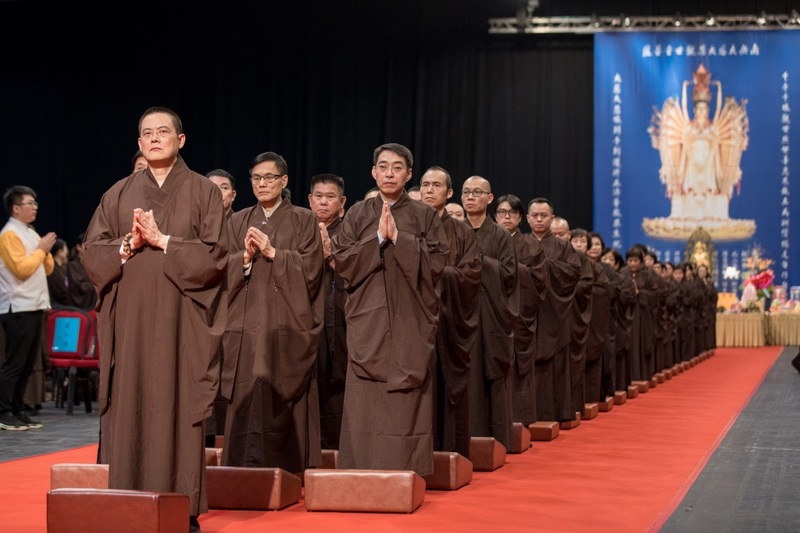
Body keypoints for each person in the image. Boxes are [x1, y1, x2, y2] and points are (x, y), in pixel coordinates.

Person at [82, 106, 229, 531]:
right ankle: (129, 504)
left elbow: (217, 255)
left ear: (180, 140)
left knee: (178, 405)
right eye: (146, 133)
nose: (154, 138)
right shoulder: (118, 192)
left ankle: (180, 508)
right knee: (131, 404)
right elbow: (94, 252)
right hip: (131, 320)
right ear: (139, 144)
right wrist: (127, 245)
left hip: (181, 320)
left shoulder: (203, 192)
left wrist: (164, 241)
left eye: (163, 131)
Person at [331, 143, 447, 476]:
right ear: (373, 172)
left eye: (397, 168)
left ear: (409, 174)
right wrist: (378, 241)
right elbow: (342, 261)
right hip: (367, 319)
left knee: (406, 396)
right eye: (383, 167)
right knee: (364, 399)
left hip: (409, 320)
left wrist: (402, 240)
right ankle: (360, 469)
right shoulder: (357, 213)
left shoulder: (424, 215)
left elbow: (438, 264)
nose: (389, 173)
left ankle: (406, 470)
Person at [221, 152, 324, 475]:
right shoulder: (237, 221)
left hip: (286, 322)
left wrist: (275, 253)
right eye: (256, 178)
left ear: (284, 181)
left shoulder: (304, 219)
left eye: (269, 178)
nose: (262, 184)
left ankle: (288, 468)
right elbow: (221, 269)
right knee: (247, 391)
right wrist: (246, 258)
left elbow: (312, 269)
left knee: (282, 386)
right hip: (246, 323)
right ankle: (242, 469)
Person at [420, 166, 480, 458]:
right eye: (425, 185)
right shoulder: (408, 225)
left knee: (447, 387)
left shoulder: (462, 231)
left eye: (436, 185)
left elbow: (471, 273)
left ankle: (449, 453)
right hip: (413, 324)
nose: (429, 190)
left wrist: (436, 273)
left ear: (449, 193)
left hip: (450, 321)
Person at [462, 177, 517, 450]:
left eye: (477, 192)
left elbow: (509, 275)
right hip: (456, 312)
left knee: (486, 373)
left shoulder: (501, 236)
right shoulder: (453, 230)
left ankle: (491, 438)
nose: (471, 197)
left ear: (489, 198)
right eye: (466, 192)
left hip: (488, 314)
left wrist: (479, 262)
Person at [0, 186, 54, 431]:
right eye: (30, 203)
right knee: (14, 362)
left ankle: (18, 408)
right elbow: (21, 269)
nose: (35, 206)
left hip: (34, 305)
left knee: (27, 362)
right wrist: (41, 249)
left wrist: (43, 251)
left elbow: (48, 268)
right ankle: (4, 411)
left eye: (35, 202)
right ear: (16, 208)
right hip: (18, 306)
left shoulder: (30, 232)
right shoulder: (9, 234)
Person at [526, 198, 580, 423]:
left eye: (544, 215)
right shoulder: (519, 243)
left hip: (553, 313)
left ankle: (554, 413)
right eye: (535, 215)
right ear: (527, 218)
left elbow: (573, 273)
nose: (539, 219)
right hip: (525, 314)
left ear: (552, 217)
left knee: (555, 367)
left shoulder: (563, 246)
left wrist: (543, 267)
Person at [495, 194, 546, 427]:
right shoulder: (489, 240)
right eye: (501, 213)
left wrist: (508, 271)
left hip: (519, 318)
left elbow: (538, 282)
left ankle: (519, 421)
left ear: (520, 217)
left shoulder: (532, 245)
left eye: (512, 213)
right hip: (490, 315)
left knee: (519, 370)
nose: (506, 217)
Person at [308, 173, 348, 450]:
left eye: (330, 197)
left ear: (342, 201)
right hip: (305, 318)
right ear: (309, 200)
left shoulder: (351, 230)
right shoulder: (300, 228)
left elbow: (363, 273)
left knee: (336, 382)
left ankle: (336, 449)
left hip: (340, 319)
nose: (323, 202)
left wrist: (331, 255)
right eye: (318, 196)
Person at [554, 221, 594, 422]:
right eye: (555, 234)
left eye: (561, 233)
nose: (558, 237)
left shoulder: (577, 257)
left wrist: (559, 288)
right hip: (546, 318)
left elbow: (586, 285)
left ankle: (568, 407)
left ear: (567, 234)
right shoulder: (535, 250)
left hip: (570, 317)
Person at [66, 233, 97, 311]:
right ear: (78, 247)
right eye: (86, 245)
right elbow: (77, 287)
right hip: (80, 308)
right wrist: (95, 285)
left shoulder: (94, 263)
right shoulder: (72, 265)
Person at [47, 239, 71, 308]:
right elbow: (61, 292)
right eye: (66, 248)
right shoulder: (53, 269)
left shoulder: (61, 268)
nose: (68, 251)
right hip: (57, 307)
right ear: (59, 252)